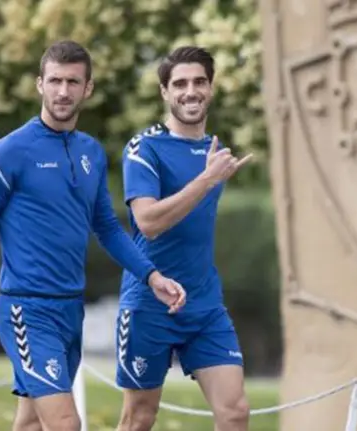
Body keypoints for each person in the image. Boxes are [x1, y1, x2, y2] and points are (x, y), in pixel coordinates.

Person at [0, 40, 186, 431]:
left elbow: (106, 227)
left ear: (88, 88)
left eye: (73, 82)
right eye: (54, 80)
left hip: (71, 310)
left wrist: (152, 277)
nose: (63, 91)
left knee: (32, 424)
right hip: (26, 311)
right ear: (40, 84)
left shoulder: (91, 152)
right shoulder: (8, 152)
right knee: (66, 424)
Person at [115, 46, 253, 431]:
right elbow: (148, 222)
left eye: (199, 82)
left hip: (204, 304)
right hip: (149, 303)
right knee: (139, 418)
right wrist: (207, 179)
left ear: (210, 88)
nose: (190, 91)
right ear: (164, 92)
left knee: (235, 411)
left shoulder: (214, 152)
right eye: (180, 84)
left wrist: (210, 173)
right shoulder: (144, 148)